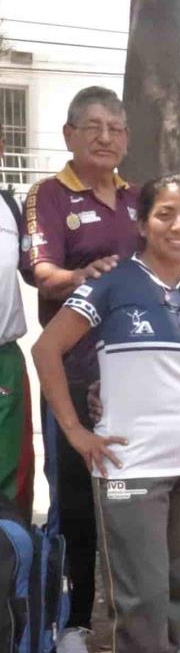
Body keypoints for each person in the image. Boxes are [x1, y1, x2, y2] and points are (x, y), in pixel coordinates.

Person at [31, 174, 180, 653]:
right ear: (142, 223)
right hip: (128, 462)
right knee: (140, 591)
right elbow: (46, 349)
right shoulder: (111, 285)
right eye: (166, 214)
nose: (179, 226)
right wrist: (75, 429)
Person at [19, 86, 141, 653]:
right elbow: (42, 276)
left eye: (115, 128)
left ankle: (139, 624)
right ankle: (69, 625)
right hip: (69, 376)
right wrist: (81, 275)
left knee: (129, 500)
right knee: (74, 504)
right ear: (69, 134)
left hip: (133, 384)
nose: (104, 138)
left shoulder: (139, 199)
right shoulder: (48, 194)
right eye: (92, 126)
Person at [0, 133, 33, 520]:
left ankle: (13, 574)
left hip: (5, 358)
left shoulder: (10, 206)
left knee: (12, 483)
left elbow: (36, 270)